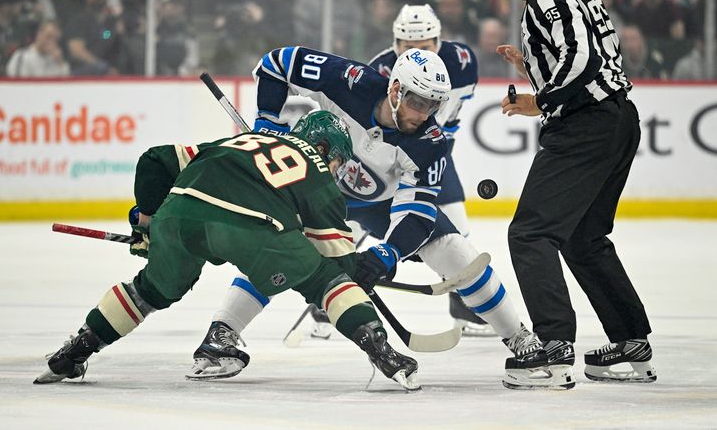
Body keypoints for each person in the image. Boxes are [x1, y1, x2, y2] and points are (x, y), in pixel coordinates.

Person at [187, 46, 540, 379]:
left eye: (433, 105)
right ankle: (220, 337)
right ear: (397, 90)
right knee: (279, 249)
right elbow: (277, 63)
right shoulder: (348, 81)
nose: (424, 114)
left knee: (456, 252)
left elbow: (417, 212)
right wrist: (267, 121)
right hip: (315, 190)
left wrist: (388, 252)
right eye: (418, 101)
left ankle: (520, 339)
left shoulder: (430, 143)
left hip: (380, 205)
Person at [34, 111, 421, 391]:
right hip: (253, 227)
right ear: (324, 147)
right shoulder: (319, 173)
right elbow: (337, 267)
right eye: (337, 159)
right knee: (325, 280)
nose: (337, 169)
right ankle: (381, 349)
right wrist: (357, 275)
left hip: (179, 214)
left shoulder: (234, 141)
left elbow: (154, 160)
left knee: (151, 290)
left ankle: (77, 350)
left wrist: (148, 220)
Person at [486, 0, 655, 389]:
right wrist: (534, 62)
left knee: (531, 234)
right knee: (583, 238)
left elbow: (582, 62)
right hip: (618, 119)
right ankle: (630, 342)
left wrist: (540, 98)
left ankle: (552, 352)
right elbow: (598, 52)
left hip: (585, 127)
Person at [367, 4, 490, 335]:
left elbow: (452, 111)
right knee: (347, 225)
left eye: (424, 45)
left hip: (436, 153)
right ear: (395, 43)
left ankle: (464, 307)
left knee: (458, 228)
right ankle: (328, 300)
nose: (416, 52)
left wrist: (439, 139)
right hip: (391, 159)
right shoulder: (379, 70)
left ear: (439, 40)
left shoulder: (464, 62)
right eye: (407, 46)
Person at [5, 20, 69, 77]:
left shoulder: (56, 60)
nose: (52, 42)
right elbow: (18, 84)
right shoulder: (22, 56)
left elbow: (65, 85)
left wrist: (60, 62)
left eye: (56, 39)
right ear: (39, 34)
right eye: (49, 37)